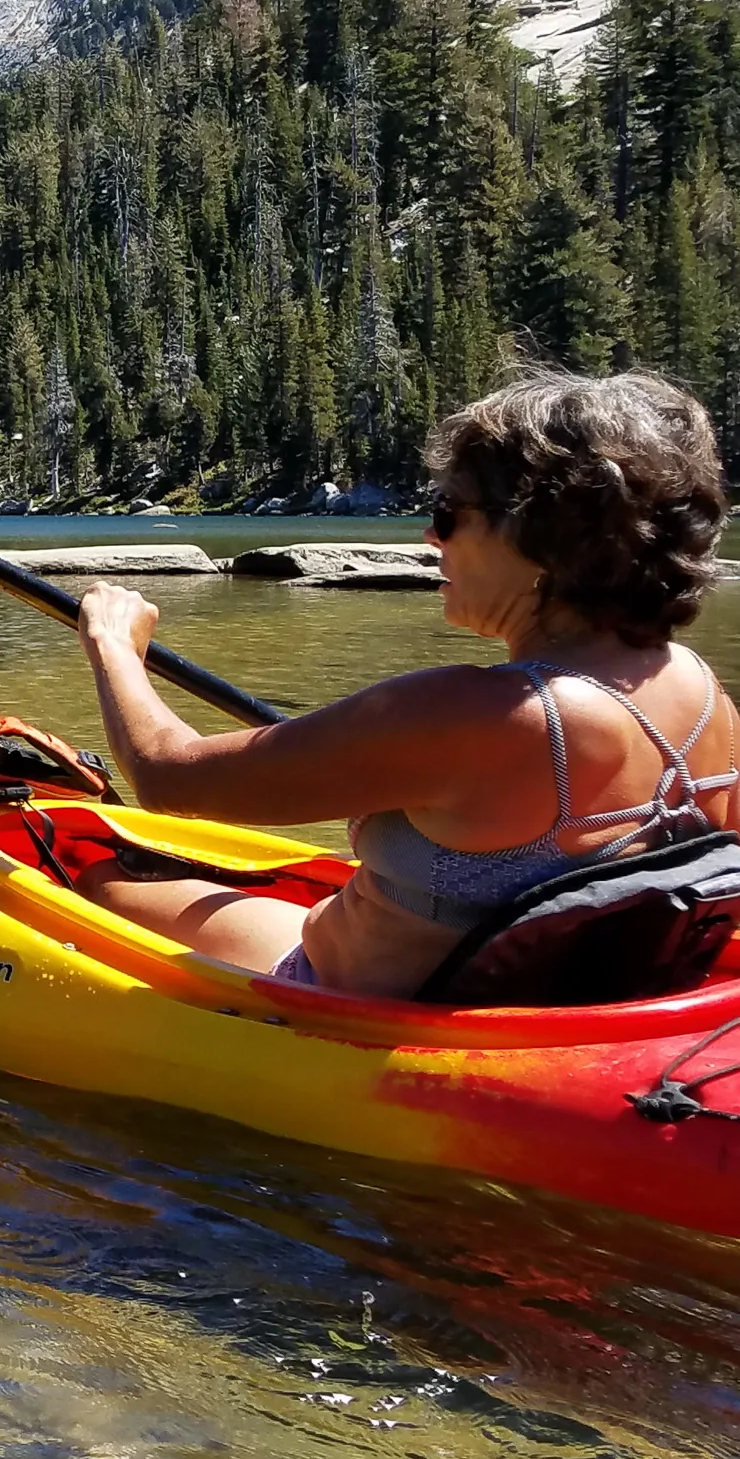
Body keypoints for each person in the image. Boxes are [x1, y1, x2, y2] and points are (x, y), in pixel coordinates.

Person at [72, 370, 737, 998]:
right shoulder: (706, 697)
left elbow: (165, 777)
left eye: (449, 511)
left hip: (341, 1002)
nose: (429, 534)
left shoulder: (483, 713)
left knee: (91, 876)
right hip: (547, 1006)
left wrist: (114, 644)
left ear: (541, 536)